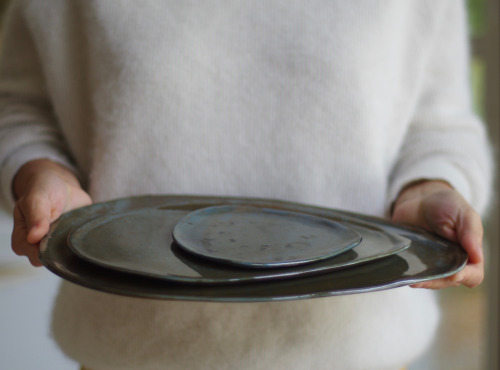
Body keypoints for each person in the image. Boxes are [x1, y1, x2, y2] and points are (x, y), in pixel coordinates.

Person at [0, 1, 492, 369]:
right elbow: (21, 104)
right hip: (128, 352)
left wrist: (429, 187)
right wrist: (38, 171)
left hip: (358, 352)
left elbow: (439, 123)